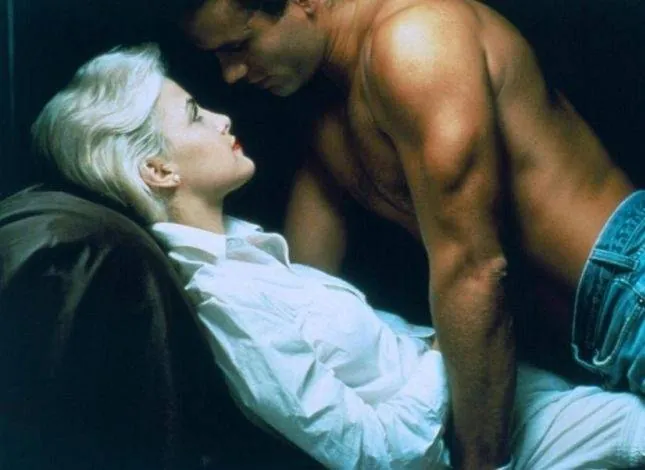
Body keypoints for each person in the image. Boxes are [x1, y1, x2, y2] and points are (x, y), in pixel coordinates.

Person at [31, 44, 645, 469]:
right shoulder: (224, 303)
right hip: (471, 434)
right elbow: (375, 454)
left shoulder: (247, 251)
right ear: (159, 170)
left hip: (502, 399)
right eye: (194, 115)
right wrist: (448, 349)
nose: (221, 118)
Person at [182, 0, 645, 467]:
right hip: (577, 348)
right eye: (218, 55)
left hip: (631, 289)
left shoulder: (415, 43)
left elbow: (476, 271)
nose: (231, 75)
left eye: (239, 45)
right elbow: (301, 286)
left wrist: (480, 464)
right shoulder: (324, 113)